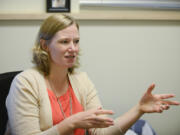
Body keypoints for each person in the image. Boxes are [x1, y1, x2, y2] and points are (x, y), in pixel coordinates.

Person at [6, 14, 179, 135]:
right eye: (64, 41)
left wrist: (139, 109)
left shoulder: (82, 81)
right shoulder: (25, 83)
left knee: (142, 127)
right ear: (45, 46)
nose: (73, 48)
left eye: (76, 41)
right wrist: (71, 124)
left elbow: (102, 132)